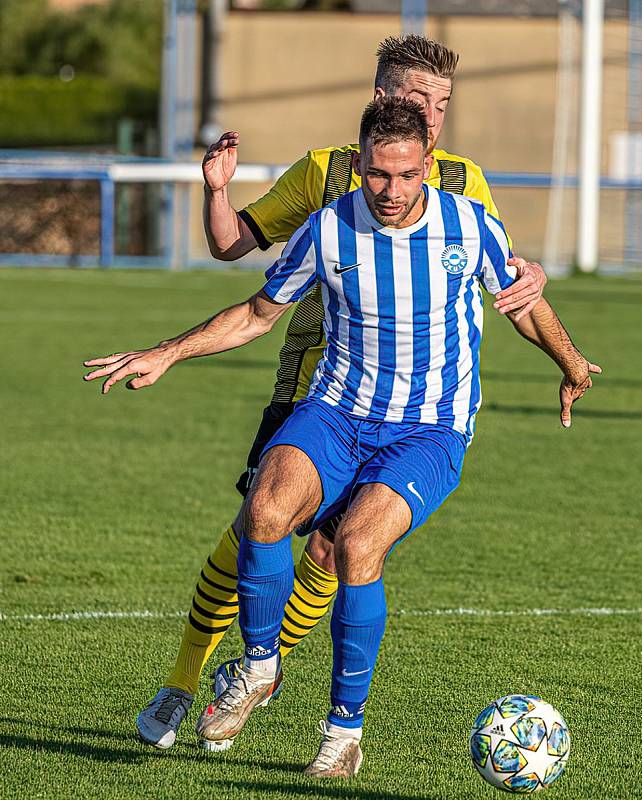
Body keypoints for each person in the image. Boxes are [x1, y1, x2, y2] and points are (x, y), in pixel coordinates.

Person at [83, 96, 600, 777]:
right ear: (359, 165)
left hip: (429, 427)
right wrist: (167, 352)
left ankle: (341, 734)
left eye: (406, 176)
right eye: (378, 175)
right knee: (264, 509)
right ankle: (260, 666)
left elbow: (521, 303)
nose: (391, 191)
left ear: (426, 167)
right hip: (335, 410)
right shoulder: (328, 229)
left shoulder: (469, 226)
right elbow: (256, 313)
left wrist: (569, 365)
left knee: (355, 546)